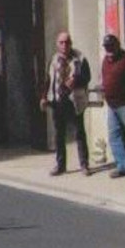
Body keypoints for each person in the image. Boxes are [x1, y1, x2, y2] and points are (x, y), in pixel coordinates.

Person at [41, 31, 91, 175]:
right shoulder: (54, 59)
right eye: (61, 43)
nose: (64, 45)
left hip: (75, 100)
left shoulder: (79, 58)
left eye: (67, 42)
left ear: (71, 43)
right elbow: (47, 79)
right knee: (59, 134)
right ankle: (60, 165)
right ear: (57, 44)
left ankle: (84, 164)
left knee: (79, 133)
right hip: (58, 101)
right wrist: (44, 97)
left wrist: (75, 81)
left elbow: (87, 77)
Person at [99, 33, 125, 178]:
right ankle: (123, 166)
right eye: (106, 47)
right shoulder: (105, 61)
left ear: (117, 46)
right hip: (112, 105)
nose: (109, 50)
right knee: (115, 136)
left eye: (111, 46)